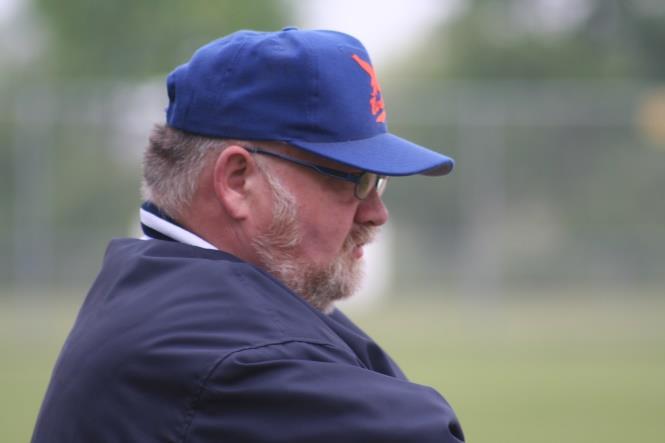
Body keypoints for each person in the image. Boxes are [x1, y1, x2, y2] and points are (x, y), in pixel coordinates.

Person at [32, 28, 464, 442]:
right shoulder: (235, 358)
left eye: (377, 182)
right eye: (353, 180)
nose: (376, 213)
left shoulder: (157, 289)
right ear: (238, 182)